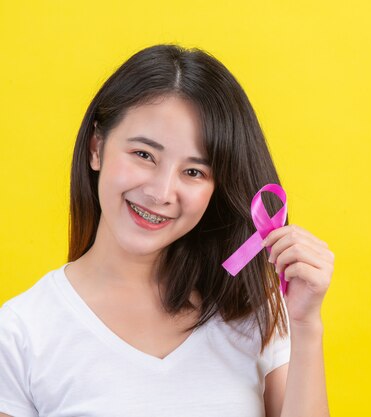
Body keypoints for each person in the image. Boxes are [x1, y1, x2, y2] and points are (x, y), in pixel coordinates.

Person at [0, 44, 333, 417]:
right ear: (97, 147)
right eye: (144, 155)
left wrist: (306, 324)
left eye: (193, 172)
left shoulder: (251, 308)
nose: (160, 193)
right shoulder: (21, 333)